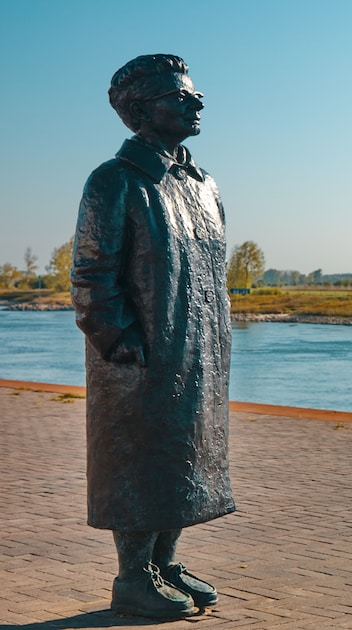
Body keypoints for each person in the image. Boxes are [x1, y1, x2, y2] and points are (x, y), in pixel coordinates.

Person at [71, 54, 235, 619]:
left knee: (186, 459)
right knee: (141, 461)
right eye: (181, 96)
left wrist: (215, 344)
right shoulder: (114, 180)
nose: (197, 103)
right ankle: (131, 577)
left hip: (198, 352)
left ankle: (165, 563)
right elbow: (92, 274)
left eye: (194, 95)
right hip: (141, 358)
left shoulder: (204, 185)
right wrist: (118, 342)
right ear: (141, 110)